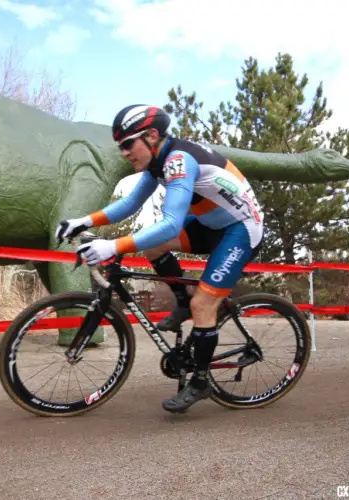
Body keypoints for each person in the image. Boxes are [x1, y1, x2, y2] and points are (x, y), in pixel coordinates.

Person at [55, 104, 264, 413]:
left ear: (152, 136)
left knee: (203, 303)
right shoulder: (158, 161)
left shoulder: (178, 161)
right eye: (121, 146)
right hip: (211, 225)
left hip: (241, 229)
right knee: (153, 248)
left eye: (128, 143)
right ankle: (182, 301)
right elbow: (129, 204)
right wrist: (84, 221)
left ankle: (201, 381)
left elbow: (170, 224)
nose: (124, 152)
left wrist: (114, 246)